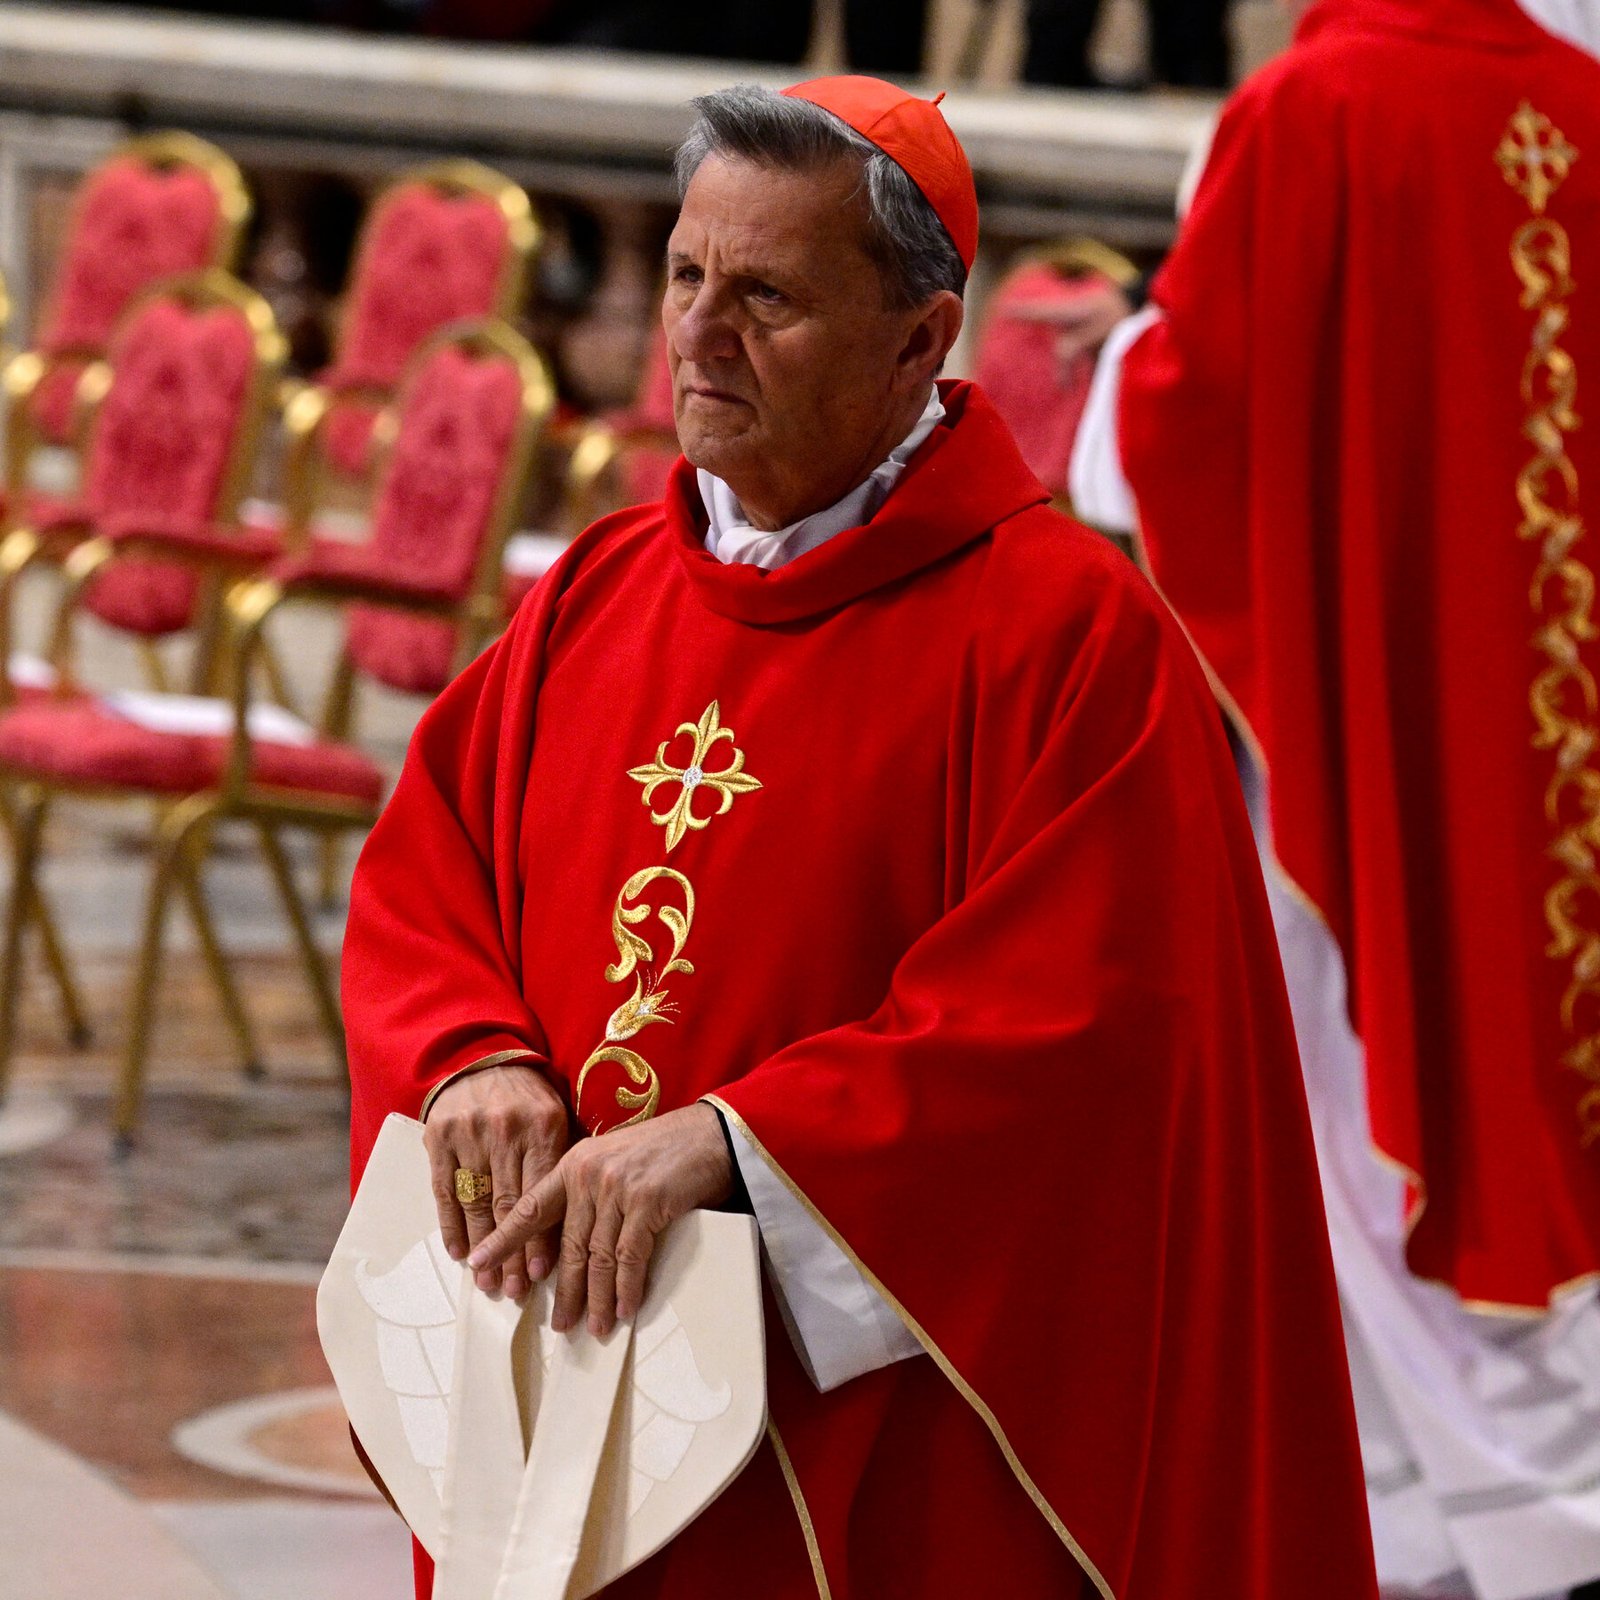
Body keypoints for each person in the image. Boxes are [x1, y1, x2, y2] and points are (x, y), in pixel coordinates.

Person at [341, 74, 1378, 1600]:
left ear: (919, 339)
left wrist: (740, 1148)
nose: (698, 333)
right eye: (685, 275)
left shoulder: (1064, 637)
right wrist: (471, 1057)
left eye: (765, 297)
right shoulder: (597, 593)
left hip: (864, 1437)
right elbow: (428, 875)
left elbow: (1079, 1037)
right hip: (556, 1359)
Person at [1069, 1, 1600, 1594]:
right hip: (1547, 700)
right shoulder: (1583, 102)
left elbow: (1172, 422)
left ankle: (1463, 1519)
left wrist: (1118, 367)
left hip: (1371, 710)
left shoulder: (1317, 106)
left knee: (1362, 1092)